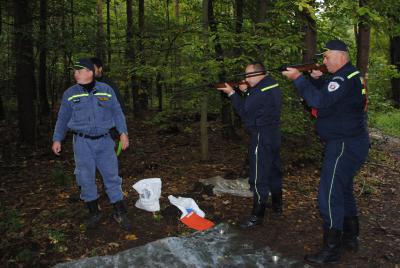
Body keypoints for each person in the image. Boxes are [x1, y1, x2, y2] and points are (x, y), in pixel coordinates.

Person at [282, 39, 369, 264]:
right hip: (351, 143)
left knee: (329, 196)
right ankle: (350, 238)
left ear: (340, 57)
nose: (324, 61)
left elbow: (319, 102)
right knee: (343, 191)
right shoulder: (348, 76)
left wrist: (298, 79)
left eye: (327, 57)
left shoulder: (342, 77)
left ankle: (331, 251)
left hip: (343, 145)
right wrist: (317, 81)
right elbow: (332, 101)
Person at [52, 58, 132, 231]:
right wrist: (57, 138)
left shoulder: (107, 90)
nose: (75, 74)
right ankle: (93, 212)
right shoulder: (70, 93)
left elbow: (117, 113)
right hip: (82, 143)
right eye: (75, 71)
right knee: (85, 178)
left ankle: (119, 211)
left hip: (105, 141)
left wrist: (123, 133)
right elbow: (63, 118)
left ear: (90, 72)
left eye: (79, 71)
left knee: (112, 176)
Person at [217, 62, 283, 229]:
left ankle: (257, 216)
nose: (246, 78)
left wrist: (232, 93)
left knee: (258, 176)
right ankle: (277, 205)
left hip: (261, 135)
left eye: (248, 75)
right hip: (274, 133)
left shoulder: (259, 91)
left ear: (259, 74)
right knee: (274, 170)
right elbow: (258, 104)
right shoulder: (271, 83)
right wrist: (246, 91)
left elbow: (245, 112)